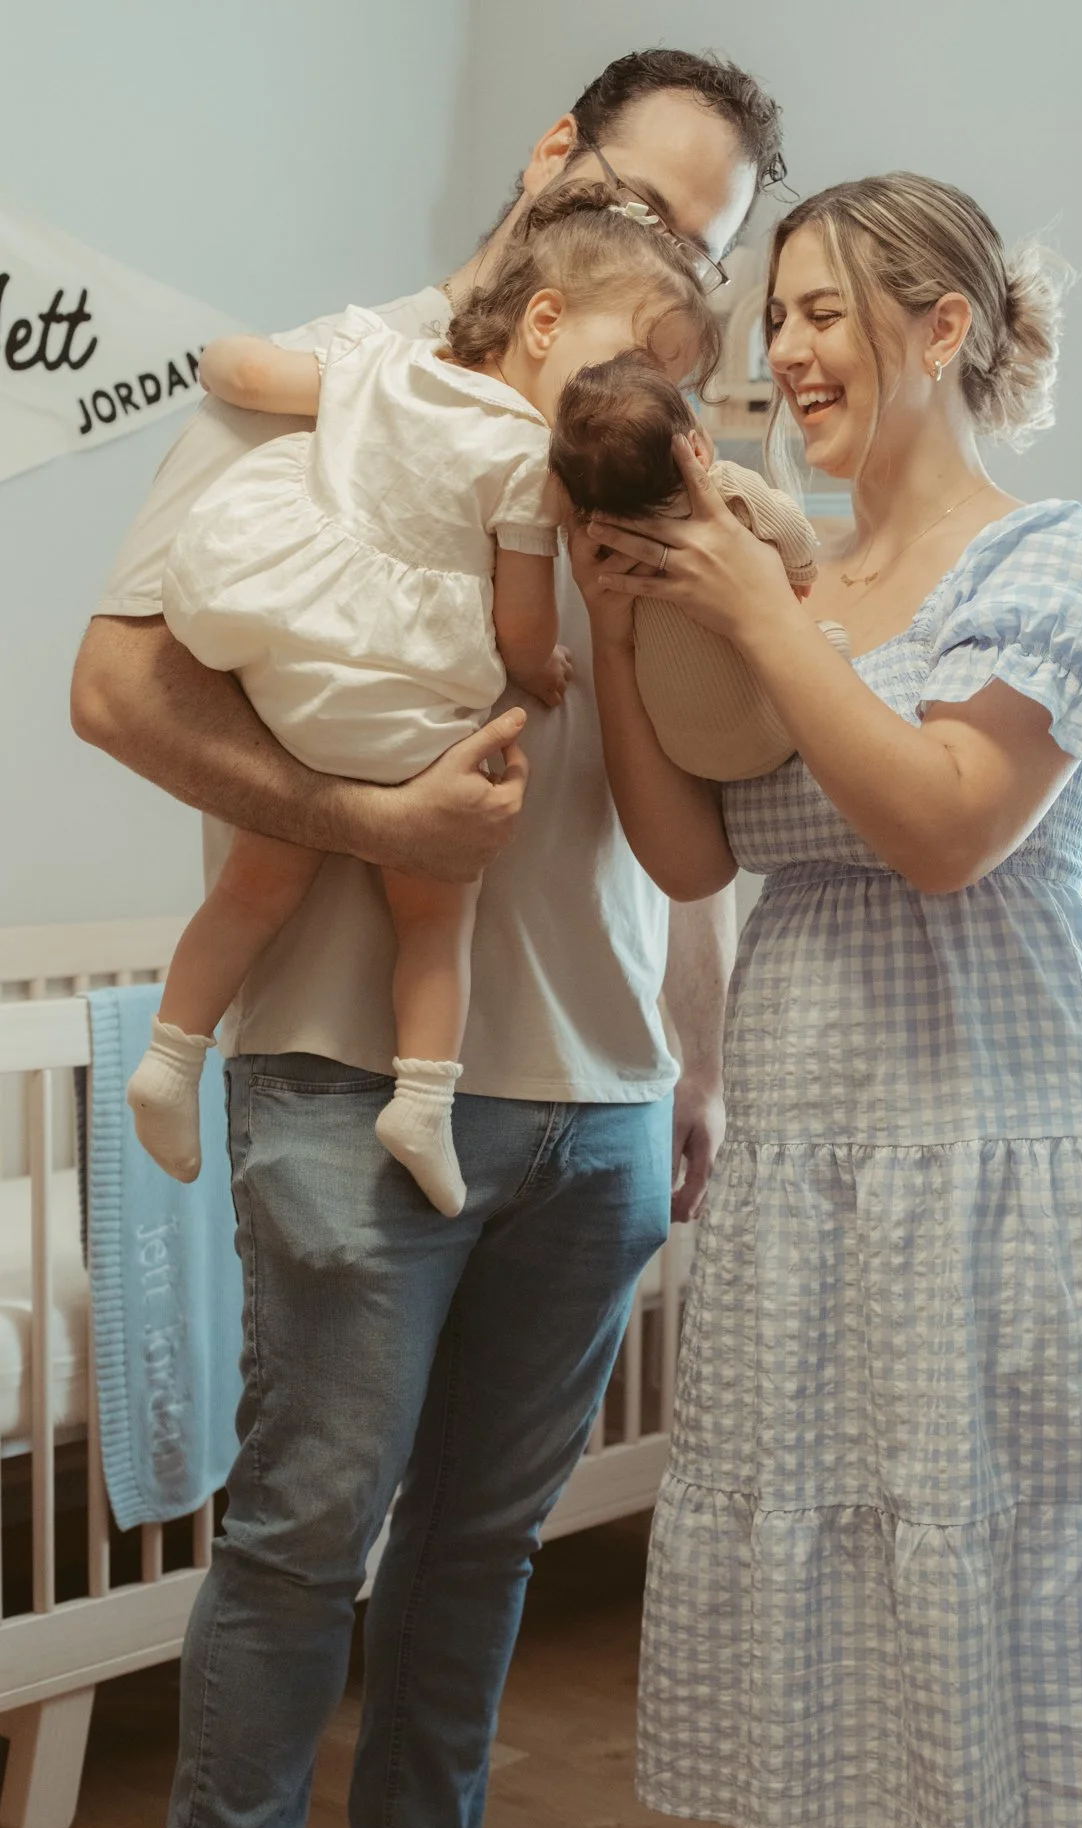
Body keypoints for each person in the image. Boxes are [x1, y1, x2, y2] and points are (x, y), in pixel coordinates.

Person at [70, 48, 784, 1828]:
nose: (666, 257)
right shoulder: (330, 374)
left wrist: (697, 1068)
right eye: (641, 206)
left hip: (601, 1092)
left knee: (482, 1539)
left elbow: (696, 787)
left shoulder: (661, 422)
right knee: (304, 1532)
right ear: (554, 162)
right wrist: (378, 832)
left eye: (703, 243)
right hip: (333, 1061)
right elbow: (113, 691)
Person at [571, 171, 1082, 1828]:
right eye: (773, 316)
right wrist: (625, 617)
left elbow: (947, 828)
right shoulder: (790, 571)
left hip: (995, 1138)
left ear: (945, 328)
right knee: (882, 1549)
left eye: (824, 310)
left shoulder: (1055, 562)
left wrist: (755, 599)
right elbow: (690, 851)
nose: (785, 352)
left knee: (985, 1559)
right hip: (818, 1132)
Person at [129, 190, 718, 1218]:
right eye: (634, 367)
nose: (642, 404)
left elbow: (244, 370)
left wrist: (223, 364)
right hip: (406, 728)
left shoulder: (380, 365)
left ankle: (170, 1058)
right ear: (542, 322)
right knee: (437, 910)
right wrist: (541, 676)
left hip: (299, 689)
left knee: (253, 889)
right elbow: (519, 626)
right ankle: (421, 1102)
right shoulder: (530, 467)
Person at [547, 348, 851, 780]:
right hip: (775, 729)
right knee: (831, 637)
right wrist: (801, 572)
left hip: (684, 754)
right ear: (696, 449)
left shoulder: (603, 544)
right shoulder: (727, 487)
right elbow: (792, 528)